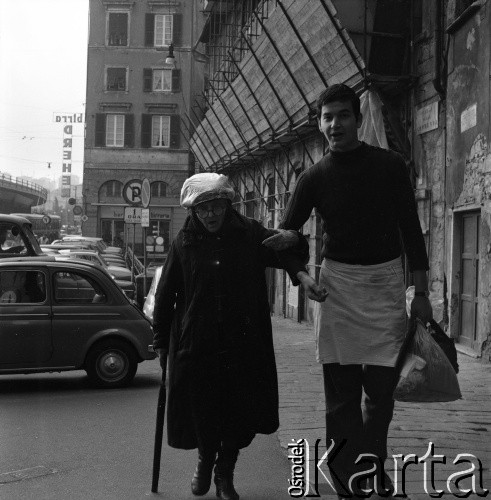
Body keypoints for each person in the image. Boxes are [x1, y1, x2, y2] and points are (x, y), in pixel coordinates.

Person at [272, 84, 433, 498]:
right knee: (340, 401)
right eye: (327, 117)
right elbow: (288, 236)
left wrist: (421, 292)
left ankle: (371, 465)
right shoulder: (314, 176)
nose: (334, 124)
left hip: (385, 288)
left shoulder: (390, 166)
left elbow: (412, 231)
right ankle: (345, 479)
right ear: (319, 123)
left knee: (380, 397)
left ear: (357, 120)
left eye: (343, 115)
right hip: (337, 290)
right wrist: (301, 276)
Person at [152, 173, 314, 500]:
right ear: (193, 212)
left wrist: (297, 244)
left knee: (238, 415)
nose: (209, 215)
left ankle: (224, 473)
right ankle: (205, 459)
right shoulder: (184, 242)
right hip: (198, 343)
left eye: (215, 207)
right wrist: (160, 340)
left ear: (227, 204)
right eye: (202, 209)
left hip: (243, 343)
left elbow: (285, 249)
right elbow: (166, 293)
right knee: (204, 411)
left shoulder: (250, 234)